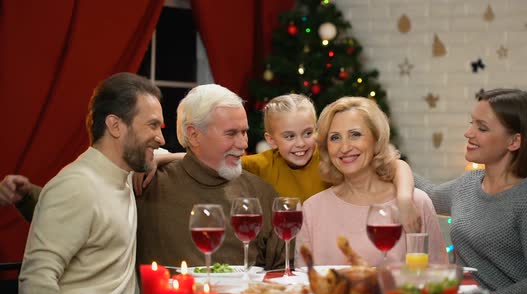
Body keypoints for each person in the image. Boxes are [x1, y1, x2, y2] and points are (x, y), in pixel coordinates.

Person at [135, 93, 421, 232]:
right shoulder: (262, 163)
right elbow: (215, 158)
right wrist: (161, 158)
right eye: (289, 136)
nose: (301, 144)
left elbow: (396, 165)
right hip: (286, 256)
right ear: (272, 140)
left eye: (308, 133)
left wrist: (405, 198)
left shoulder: (329, 155)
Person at [13, 72, 165, 294]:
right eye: (152, 126)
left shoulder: (123, 174)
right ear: (115, 126)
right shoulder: (76, 185)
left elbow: (168, 153)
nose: (160, 138)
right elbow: (38, 276)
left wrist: (159, 159)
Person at [414, 89, 527, 294]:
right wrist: (390, 162)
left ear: (514, 141)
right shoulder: (468, 184)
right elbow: (429, 194)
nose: (468, 133)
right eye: (471, 124)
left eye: (482, 128)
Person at [135, 84, 285, 270]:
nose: (243, 143)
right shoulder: (147, 185)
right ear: (194, 134)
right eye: (231, 133)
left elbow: (283, 274)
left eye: (244, 132)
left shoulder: (262, 193)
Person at [295, 97, 448, 267]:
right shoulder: (312, 209)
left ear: (376, 141)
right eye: (335, 138)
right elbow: (303, 282)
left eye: (355, 135)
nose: (344, 147)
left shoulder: (417, 202)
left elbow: (438, 276)